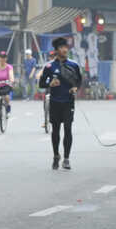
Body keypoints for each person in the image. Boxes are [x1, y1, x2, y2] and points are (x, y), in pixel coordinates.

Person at [38, 37, 82, 170]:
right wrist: (49, 84)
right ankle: (56, 155)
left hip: (68, 102)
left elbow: (79, 81)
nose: (65, 50)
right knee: (55, 130)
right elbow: (41, 84)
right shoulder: (49, 66)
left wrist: (75, 88)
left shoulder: (73, 65)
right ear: (56, 50)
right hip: (55, 102)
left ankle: (67, 158)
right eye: (62, 47)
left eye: (66, 47)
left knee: (68, 128)